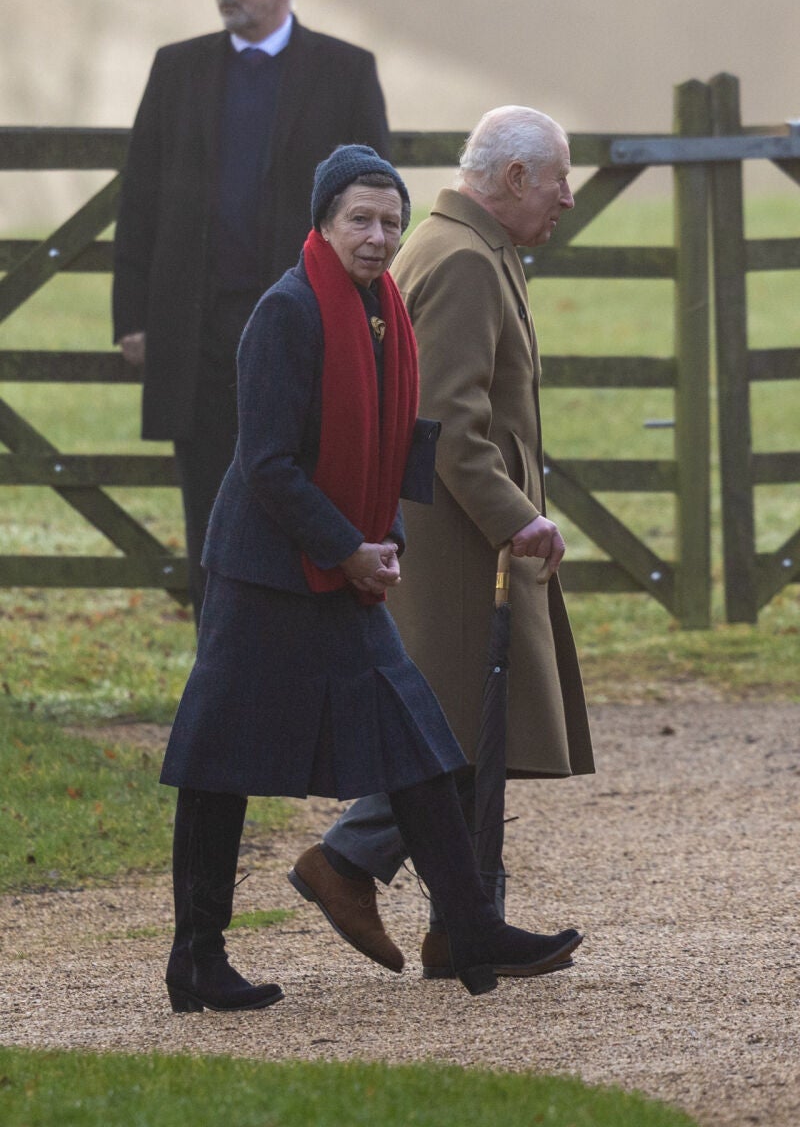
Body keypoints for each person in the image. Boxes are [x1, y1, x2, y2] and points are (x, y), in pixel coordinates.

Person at [158, 144, 584, 1013]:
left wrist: (382, 537)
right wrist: (348, 547)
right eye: (361, 217)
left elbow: (397, 440)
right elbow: (267, 465)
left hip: (345, 564)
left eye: (390, 220)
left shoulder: (384, 308)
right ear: (323, 220)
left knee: (422, 744)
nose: (379, 235)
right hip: (263, 574)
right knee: (218, 766)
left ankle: (469, 926)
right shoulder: (285, 313)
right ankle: (195, 959)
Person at [292, 106, 595, 979]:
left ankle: (461, 922)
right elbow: (451, 427)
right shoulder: (462, 260)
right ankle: (356, 864)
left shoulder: (466, 247)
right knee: (461, 733)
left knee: (468, 734)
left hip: (458, 533)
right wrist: (517, 518)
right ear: (511, 180)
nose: (567, 198)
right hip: (461, 542)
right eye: (559, 179)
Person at [112, 0, 390, 623]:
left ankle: (295, 660)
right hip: (197, 331)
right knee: (209, 509)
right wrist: (132, 318)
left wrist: (364, 314)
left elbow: (374, 206)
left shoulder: (345, 70)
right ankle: (219, 668)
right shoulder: (176, 68)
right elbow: (139, 197)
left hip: (304, 325)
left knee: (304, 493)